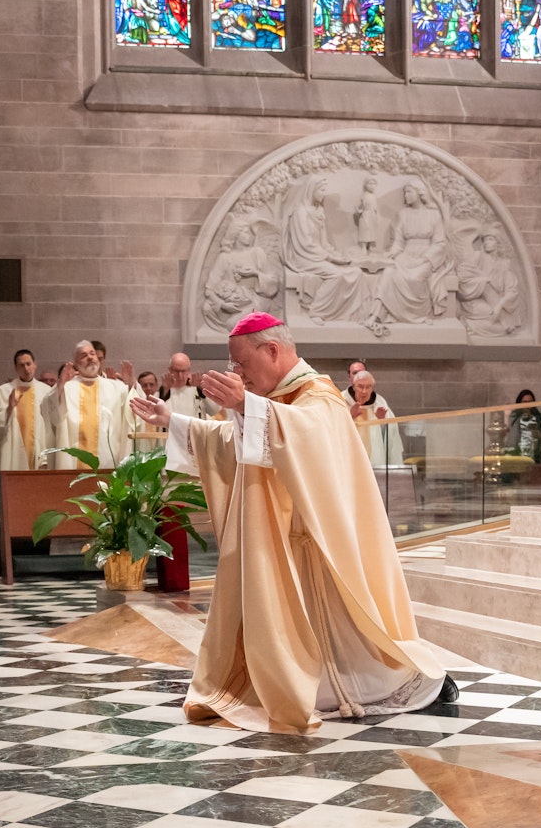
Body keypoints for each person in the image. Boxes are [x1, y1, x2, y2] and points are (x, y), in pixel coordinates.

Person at [130, 312, 453, 734]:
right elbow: (236, 443)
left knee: (354, 640)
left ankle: (403, 683)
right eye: (232, 365)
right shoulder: (273, 400)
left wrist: (245, 404)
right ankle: (312, 687)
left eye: (241, 363)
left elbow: (307, 436)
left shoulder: (318, 395)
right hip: (285, 544)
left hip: (322, 544)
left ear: (273, 351)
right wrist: (173, 421)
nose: (236, 372)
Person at [366, 180, 455, 335]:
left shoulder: (433, 215)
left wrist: (426, 258)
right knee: (388, 274)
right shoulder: (403, 214)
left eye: (409, 192)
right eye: (404, 192)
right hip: (405, 255)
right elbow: (399, 242)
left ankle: (418, 316)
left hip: (426, 256)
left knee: (415, 278)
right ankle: (375, 315)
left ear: (419, 193)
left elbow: (440, 243)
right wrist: (392, 253)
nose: (405, 195)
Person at [282, 176, 368, 324]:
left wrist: (337, 254)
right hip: (303, 258)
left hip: (318, 256)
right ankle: (317, 311)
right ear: (312, 190)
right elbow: (305, 244)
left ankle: (348, 312)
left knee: (356, 271)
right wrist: (330, 258)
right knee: (335, 274)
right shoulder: (300, 213)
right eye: (321, 190)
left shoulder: (319, 211)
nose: (324, 194)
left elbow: (323, 242)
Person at [45, 340, 136, 469]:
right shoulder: (66, 388)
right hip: (74, 463)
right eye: (83, 356)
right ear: (76, 364)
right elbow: (50, 412)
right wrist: (59, 385)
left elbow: (134, 412)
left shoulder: (116, 387)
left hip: (108, 460)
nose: (90, 357)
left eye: (92, 353)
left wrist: (132, 385)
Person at [0, 349, 54, 470]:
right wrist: (8, 410)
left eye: (28, 364)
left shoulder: (46, 391)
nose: (26, 368)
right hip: (13, 453)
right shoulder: (4, 391)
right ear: (16, 368)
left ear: (35, 364)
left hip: (39, 450)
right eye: (21, 365)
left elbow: (51, 426)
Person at [456, 231, 521, 337]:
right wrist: (483, 281)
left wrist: (499, 306)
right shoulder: (478, 256)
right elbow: (463, 276)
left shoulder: (504, 264)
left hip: (497, 304)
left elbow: (512, 291)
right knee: (493, 316)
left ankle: (470, 325)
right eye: (484, 240)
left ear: (498, 243)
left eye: (490, 239)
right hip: (475, 301)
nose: (486, 242)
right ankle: (469, 322)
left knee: (501, 326)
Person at [349, 370, 402, 465]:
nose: (364, 391)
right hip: (350, 460)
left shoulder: (380, 404)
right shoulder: (342, 401)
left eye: (368, 387)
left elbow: (391, 435)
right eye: (360, 386)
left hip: (375, 462)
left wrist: (382, 422)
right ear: (353, 387)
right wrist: (350, 417)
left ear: (372, 388)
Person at [160, 352, 220, 422]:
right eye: (176, 371)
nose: (180, 375)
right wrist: (164, 392)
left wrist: (201, 390)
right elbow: (154, 413)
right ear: (170, 370)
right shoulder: (163, 392)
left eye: (183, 371)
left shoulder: (197, 390)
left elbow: (214, 411)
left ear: (188, 370)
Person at [506, 389, 541, 463]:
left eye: (530, 403)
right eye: (525, 403)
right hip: (517, 455)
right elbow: (512, 436)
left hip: (533, 454)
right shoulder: (514, 416)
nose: (527, 405)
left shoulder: (538, 418)